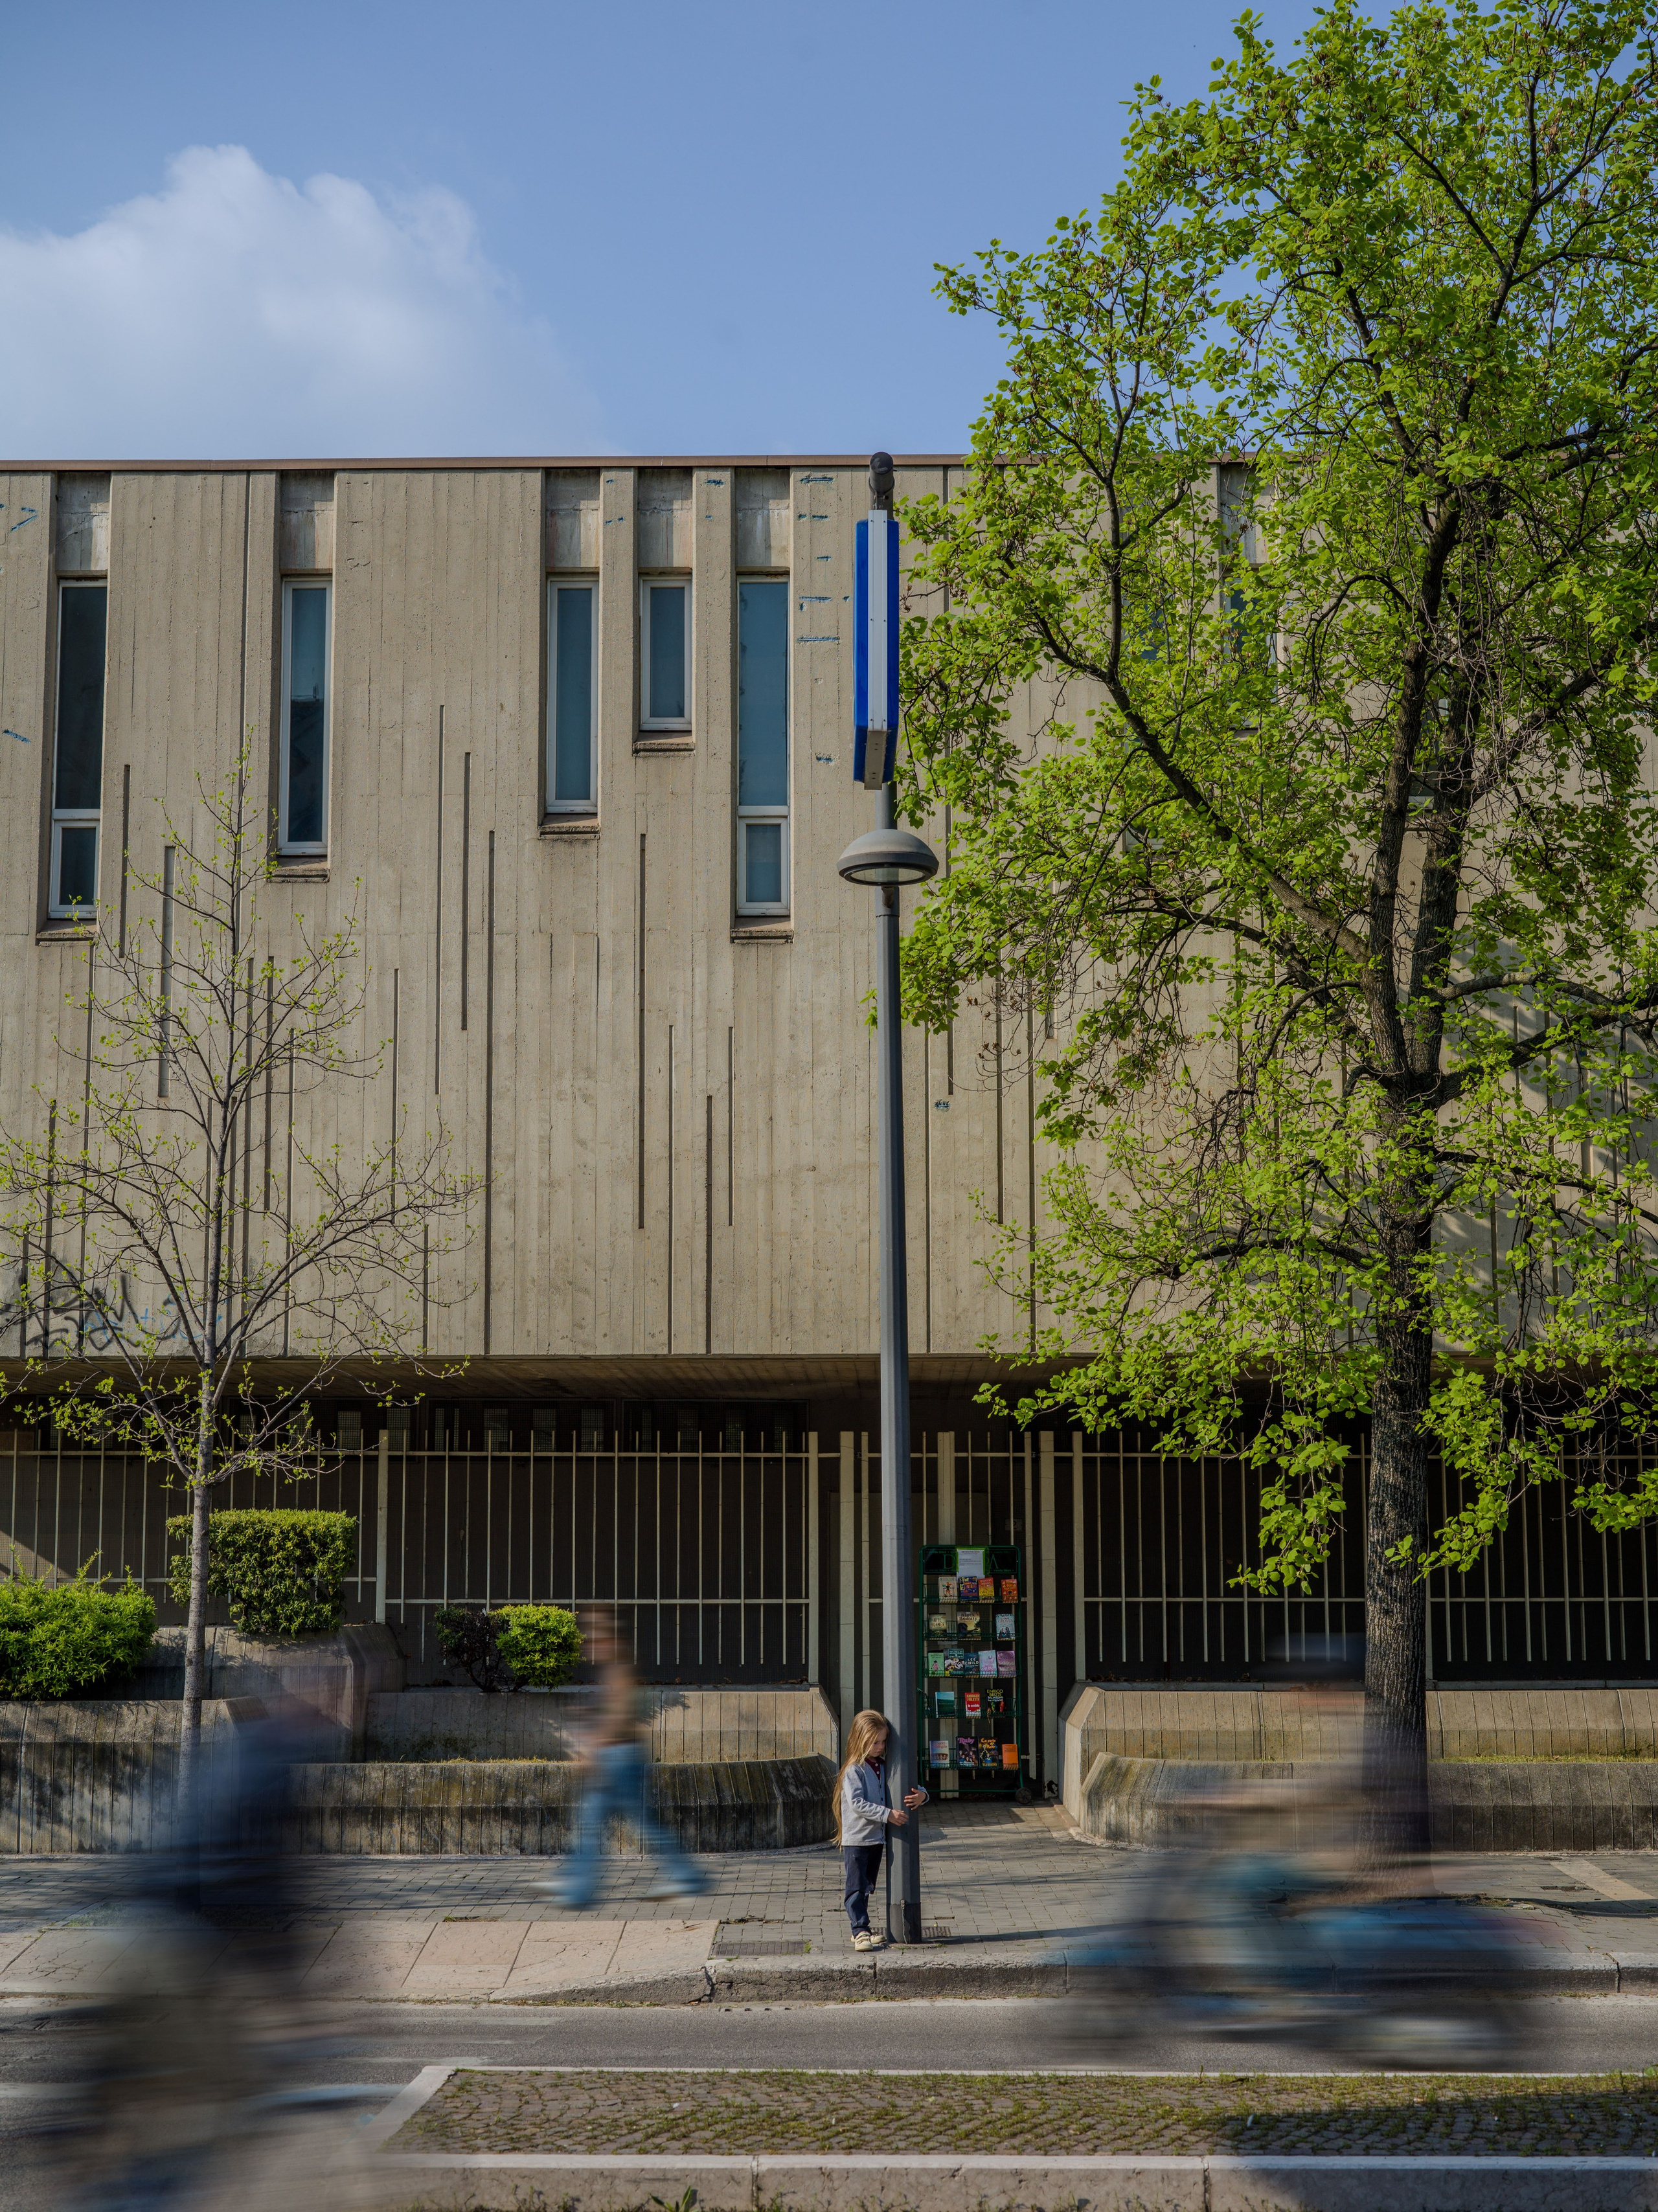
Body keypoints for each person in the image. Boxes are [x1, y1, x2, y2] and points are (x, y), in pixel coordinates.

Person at [548, 1608, 707, 1908]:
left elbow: (620, 1716)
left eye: (593, 1634)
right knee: (594, 1822)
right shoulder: (612, 1669)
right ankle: (579, 1887)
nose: (588, 1642)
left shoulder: (620, 1670)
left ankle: (687, 1876)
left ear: (609, 1636)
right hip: (615, 1756)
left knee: (635, 1825)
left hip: (619, 1758)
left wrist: (594, 1747)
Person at [834, 1708, 929, 1951]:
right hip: (857, 1839)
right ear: (860, 1740)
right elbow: (857, 1804)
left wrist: (923, 1795)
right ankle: (860, 1930)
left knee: (866, 1886)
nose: (880, 1746)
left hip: (876, 1839)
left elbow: (903, 1785)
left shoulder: (883, 1766)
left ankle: (862, 1930)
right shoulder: (854, 1770)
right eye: (874, 1742)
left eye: (883, 1741)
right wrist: (888, 1815)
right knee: (855, 1887)